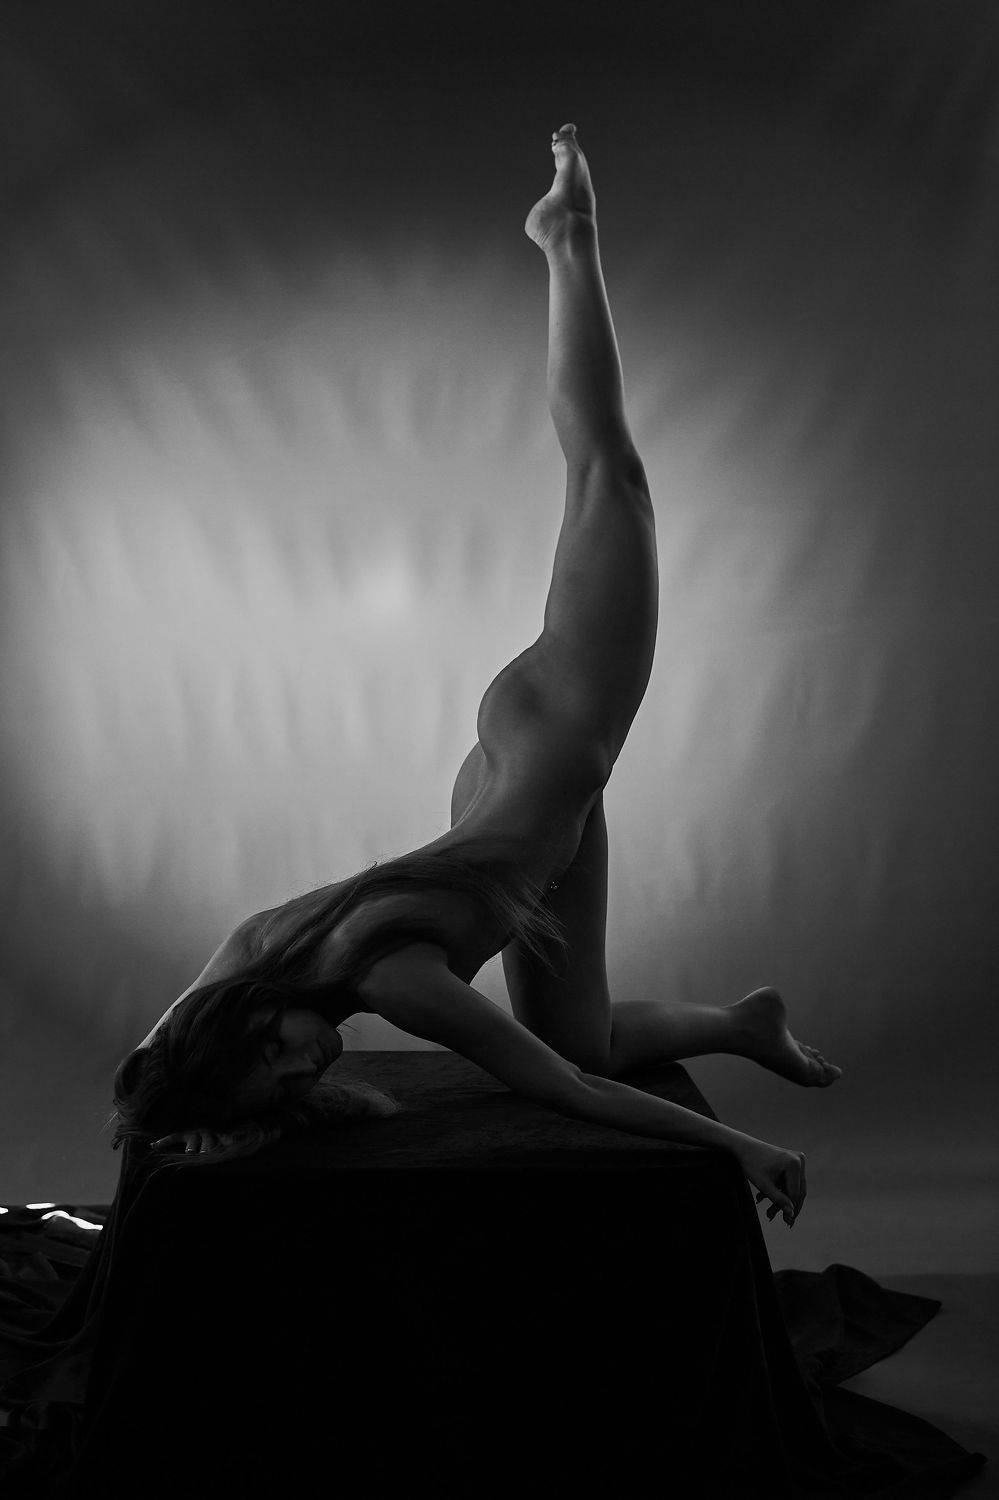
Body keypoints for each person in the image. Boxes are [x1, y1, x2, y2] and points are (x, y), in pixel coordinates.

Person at [110, 125, 841, 1227]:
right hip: (520, 812)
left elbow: (561, 1097)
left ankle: (566, 239)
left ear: (240, 1023)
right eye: (287, 1087)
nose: (306, 1063)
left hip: (557, 737)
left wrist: (740, 1148)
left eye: (274, 1054)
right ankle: (744, 1022)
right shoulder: (259, 952)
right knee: (581, 1033)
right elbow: (160, 1049)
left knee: (609, 475)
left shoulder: (385, 981)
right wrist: (166, 1117)